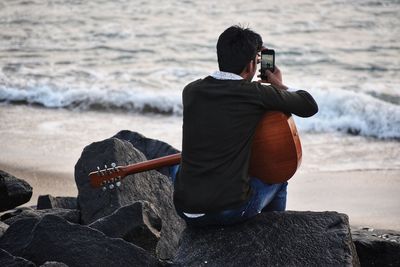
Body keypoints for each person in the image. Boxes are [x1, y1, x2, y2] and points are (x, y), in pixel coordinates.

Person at [170, 25, 318, 227]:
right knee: (278, 178)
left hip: (185, 209)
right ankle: (274, 237)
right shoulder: (254, 93)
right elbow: (309, 104)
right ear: (250, 66)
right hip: (228, 210)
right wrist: (278, 85)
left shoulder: (191, 90)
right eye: (257, 62)